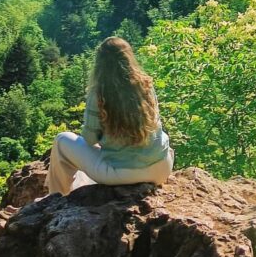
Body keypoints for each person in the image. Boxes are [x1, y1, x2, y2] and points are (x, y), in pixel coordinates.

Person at [47, 36, 174, 195]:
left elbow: (90, 139)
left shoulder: (99, 93)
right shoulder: (145, 84)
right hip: (161, 168)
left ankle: (57, 198)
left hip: (121, 175)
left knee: (62, 140)